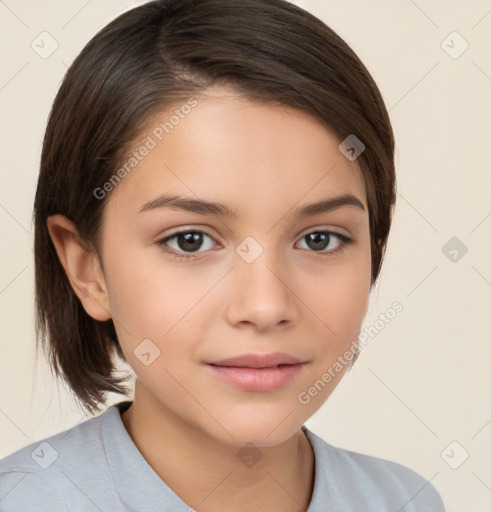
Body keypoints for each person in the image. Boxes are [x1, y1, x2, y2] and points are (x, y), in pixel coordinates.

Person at [0, 0, 445, 510]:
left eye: (320, 239)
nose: (264, 306)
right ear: (87, 268)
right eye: (189, 240)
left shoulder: (405, 501)